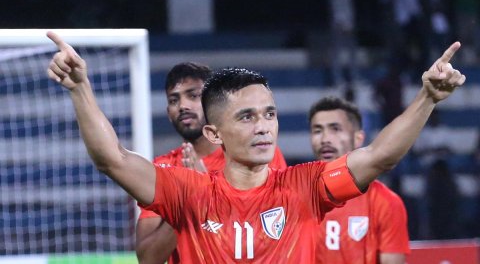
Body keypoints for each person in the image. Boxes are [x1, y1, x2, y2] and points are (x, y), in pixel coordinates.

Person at [46, 30, 465, 262]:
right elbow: (111, 159)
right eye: (247, 117)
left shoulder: (305, 186)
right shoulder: (187, 190)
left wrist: (426, 97)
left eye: (270, 114)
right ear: (214, 134)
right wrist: (81, 89)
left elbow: (380, 155)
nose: (264, 127)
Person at [135, 62, 287, 263]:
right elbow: (148, 258)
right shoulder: (162, 168)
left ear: (212, 103)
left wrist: (207, 193)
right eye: (174, 100)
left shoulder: (258, 154)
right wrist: (188, 201)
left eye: (193, 95)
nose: (183, 106)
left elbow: (276, 232)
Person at [308, 97, 410, 264]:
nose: (325, 139)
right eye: (317, 131)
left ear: (358, 138)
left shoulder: (385, 202)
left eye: (335, 129)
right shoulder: (294, 197)